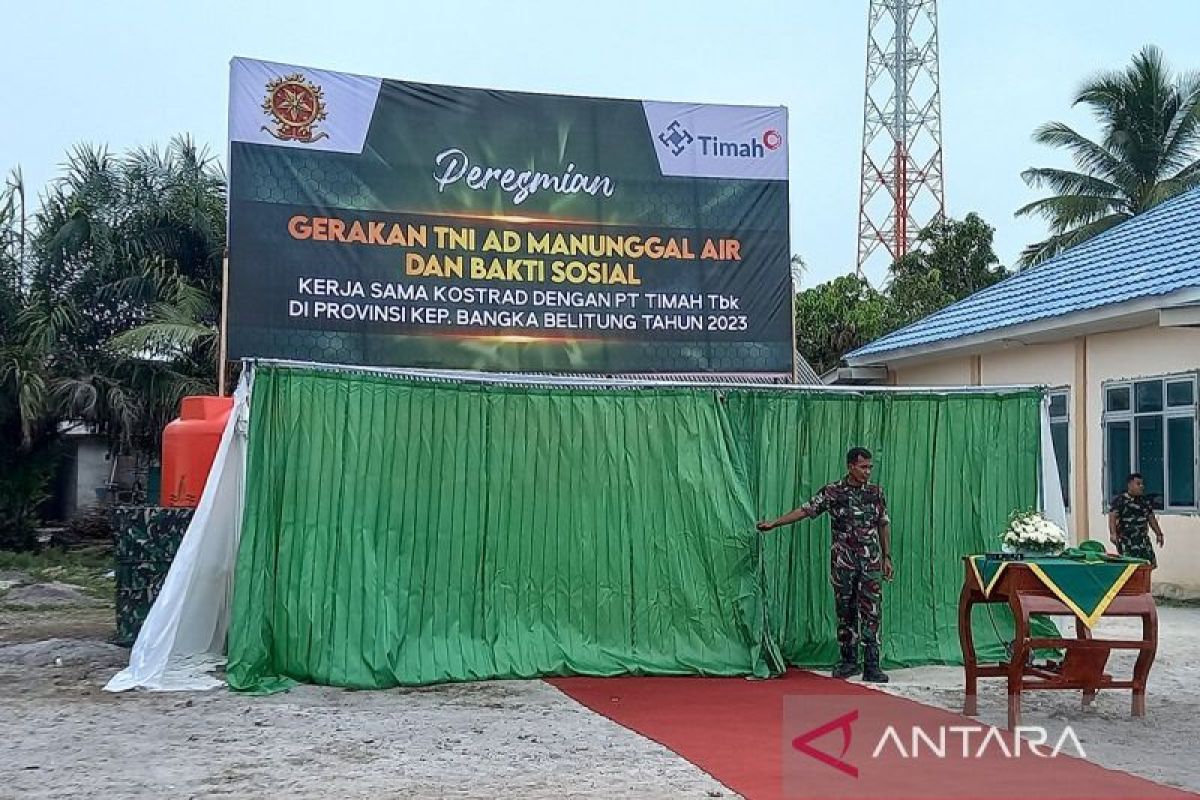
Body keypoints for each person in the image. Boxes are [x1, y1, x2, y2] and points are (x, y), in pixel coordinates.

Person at [757, 447, 893, 682]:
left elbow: (883, 524)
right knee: (845, 611)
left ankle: (872, 664)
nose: (868, 472)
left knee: (872, 610)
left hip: (870, 562)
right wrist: (775, 523)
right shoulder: (834, 492)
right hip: (843, 563)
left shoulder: (875, 493)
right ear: (850, 466)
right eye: (863, 467)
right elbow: (805, 509)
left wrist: (887, 556)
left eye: (870, 467)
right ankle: (848, 661)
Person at [1108, 473, 1165, 567]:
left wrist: (1158, 533)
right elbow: (1112, 516)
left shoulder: (1144, 501)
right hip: (1126, 541)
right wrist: (1113, 534)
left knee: (1149, 564)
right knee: (1129, 566)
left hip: (1143, 540)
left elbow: (1151, 518)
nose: (1141, 486)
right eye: (1138, 484)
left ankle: (1144, 581)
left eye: (1142, 484)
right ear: (1130, 485)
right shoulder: (1120, 501)